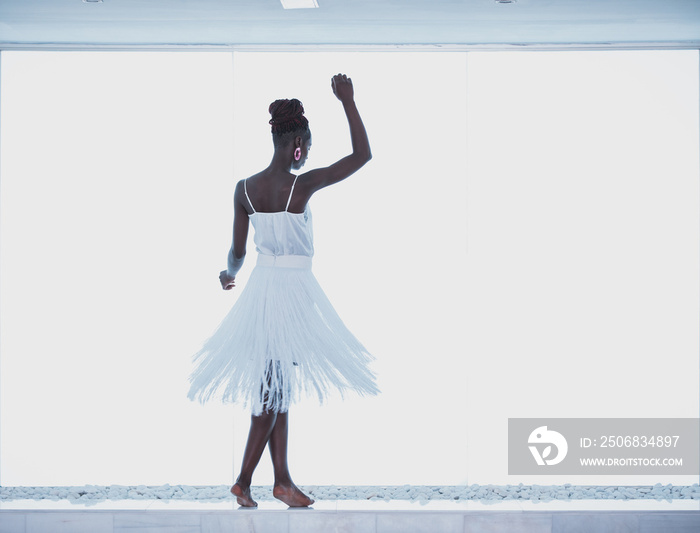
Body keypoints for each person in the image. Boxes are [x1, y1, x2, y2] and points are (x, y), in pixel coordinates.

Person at [188, 73, 378, 508]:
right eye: (307, 149)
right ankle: (242, 480)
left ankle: (283, 482)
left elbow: (237, 252)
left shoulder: (245, 190)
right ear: (298, 145)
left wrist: (226, 273)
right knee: (273, 391)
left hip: (261, 291)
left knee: (279, 387)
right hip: (291, 295)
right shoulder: (301, 185)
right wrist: (348, 101)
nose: (307, 155)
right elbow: (363, 155)